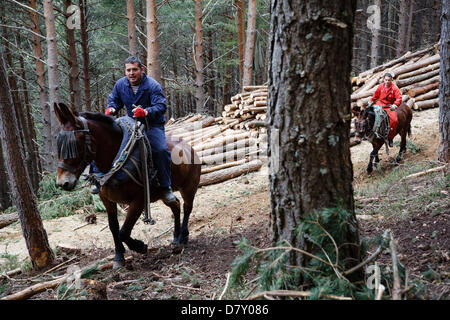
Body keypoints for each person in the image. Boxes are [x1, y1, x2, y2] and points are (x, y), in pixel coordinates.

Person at [97, 56, 176, 204]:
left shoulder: (152, 85)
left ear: (141, 70)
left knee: (160, 150)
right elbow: (114, 100)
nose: (131, 73)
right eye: (128, 70)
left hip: (151, 125)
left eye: (134, 70)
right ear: (125, 71)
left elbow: (161, 106)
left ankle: (166, 188)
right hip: (129, 123)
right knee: (105, 141)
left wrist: (146, 112)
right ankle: (99, 178)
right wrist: (111, 108)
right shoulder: (120, 84)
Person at [369, 73, 402, 147]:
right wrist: (371, 100)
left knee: (394, 120)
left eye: (389, 80)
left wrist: (395, 105)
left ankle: (390, 138)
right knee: (371, 115)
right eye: (386, 80)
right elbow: (376, 95)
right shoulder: (381, 86)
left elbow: (399, 98)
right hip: (379, 104)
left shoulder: (394, 88)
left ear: (391, 80)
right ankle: (371, 133)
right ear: (383, 79)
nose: (387, 82)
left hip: (389, 106)